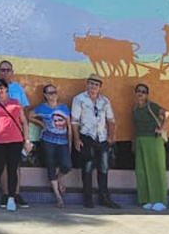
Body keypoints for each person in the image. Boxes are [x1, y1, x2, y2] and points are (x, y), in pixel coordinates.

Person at [0, 60, 30, 206]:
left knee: (14, 168)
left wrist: (26, 138)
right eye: (2, 70)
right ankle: (1, 195)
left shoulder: (18, 90)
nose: (5, 72)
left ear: (12, 72)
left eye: (8, 70)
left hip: (15, 138)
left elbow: (24, 112)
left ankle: (14, 195)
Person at [71, 74, 118, 208]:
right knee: (87, 168)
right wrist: (76, 138)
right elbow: (74, 121)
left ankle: (104, 198)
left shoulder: (104, 101)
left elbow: (111, 120)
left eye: (96, 85)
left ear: (100, 87)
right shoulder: (79, 99)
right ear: (87, 84)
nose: (93, 87)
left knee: (103, 168)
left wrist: (111, 137)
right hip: (87, 136)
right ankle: (88, 199)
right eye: (91, 84)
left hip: (102, 137)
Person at [30, 84, 74, 207]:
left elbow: (69, 127)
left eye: (55, 92)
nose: (53, 95)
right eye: (50, 93)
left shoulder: (64, 107)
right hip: (48, 141)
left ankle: (59, 178)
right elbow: (29, 115)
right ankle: (58, 197)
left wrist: (70, 143)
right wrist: (41, 123)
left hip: (63, 142)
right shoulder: (42, 108)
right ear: (45, 95)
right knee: (51, 167)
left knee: (67, 165)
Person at [132, 83, 169, 211]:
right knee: (142, 171)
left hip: (153, 140)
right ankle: (147, 199)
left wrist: (162, 128)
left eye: (143, 91)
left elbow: (167, 113)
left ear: (147, 94)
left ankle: (160, 200)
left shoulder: (151, 106)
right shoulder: (134, 108)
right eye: (138, 91)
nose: (140, 93)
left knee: (155, 170)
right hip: (140, 141)